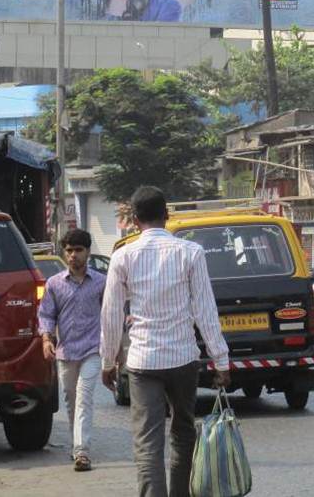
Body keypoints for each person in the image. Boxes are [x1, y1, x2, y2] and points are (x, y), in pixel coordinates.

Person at [100, 186, 230, 497]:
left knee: (147, 442)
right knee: (183, 433)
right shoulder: (190, 253)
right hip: (184, 359)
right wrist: (221, 360)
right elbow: (205, 311)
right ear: (167, 216)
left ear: (134, 219)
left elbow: (111, 314)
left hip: (143, 362)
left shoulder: (122, 257)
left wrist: (108, 362)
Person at [38, 228, 107, 473]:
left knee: (84, 396)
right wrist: (47, 339)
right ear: (64, 253)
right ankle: (75, 444)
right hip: (65, 352)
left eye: (78, 250)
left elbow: (109, 316)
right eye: (69, 251)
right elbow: (46, 314)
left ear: (88, 252)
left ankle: (82, 451)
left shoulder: (101, 282)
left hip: (92, 350)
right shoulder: (54, 284)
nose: (73, 255)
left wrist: (114, 351)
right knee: (71, 399)